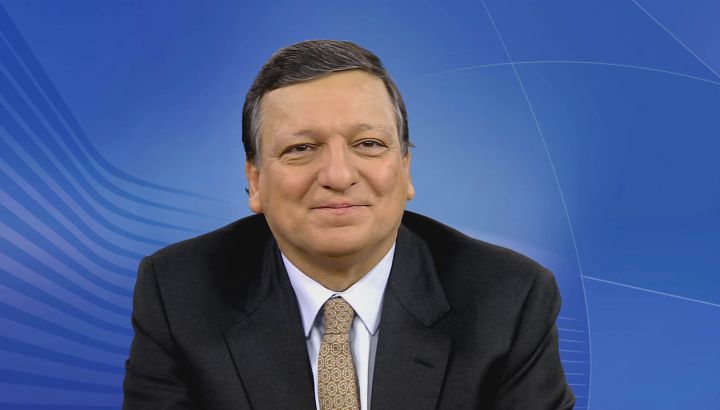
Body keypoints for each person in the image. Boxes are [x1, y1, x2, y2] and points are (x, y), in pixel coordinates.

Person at [122, 40, 575, 410]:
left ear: (405, 169)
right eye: (301, 148)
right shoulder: (178, 292)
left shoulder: (508, 297)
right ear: (255, 181)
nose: (338, 176)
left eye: (368, 143)